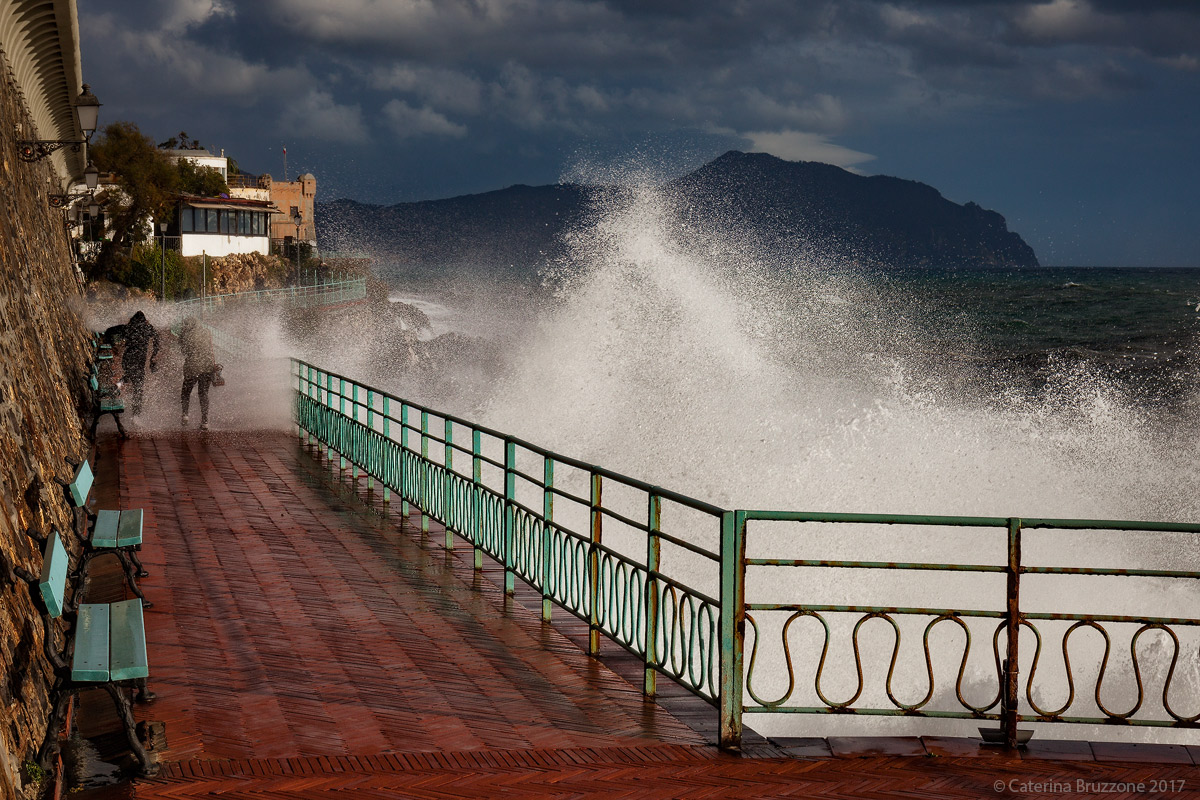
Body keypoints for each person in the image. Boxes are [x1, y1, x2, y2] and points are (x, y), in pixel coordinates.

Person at [178, 317, 216, 431]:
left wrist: (181, 337)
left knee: (186, 391)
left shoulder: (186, 335)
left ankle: (185, 414)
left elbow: (184, 352)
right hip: (207, 366)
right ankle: (205, 421)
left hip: (192, 367)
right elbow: (210, 349)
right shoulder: (206, 332)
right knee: (203, 393)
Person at [121, 311, 160, 415]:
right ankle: (136, 413)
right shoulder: (147, 327)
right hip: (139, 360)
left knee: (129, 377)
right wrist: (153, 355)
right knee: (138, 386)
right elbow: (157, 339)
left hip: (127, 358)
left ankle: (120, 383)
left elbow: (120, 337)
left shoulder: (129, 327)